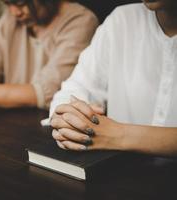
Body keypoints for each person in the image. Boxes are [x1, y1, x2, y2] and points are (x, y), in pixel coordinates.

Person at [49, 0, 177, 157]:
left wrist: (117, 135)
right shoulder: (121, 20)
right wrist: (68, 119)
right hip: (117, 171)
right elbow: (76, 88)